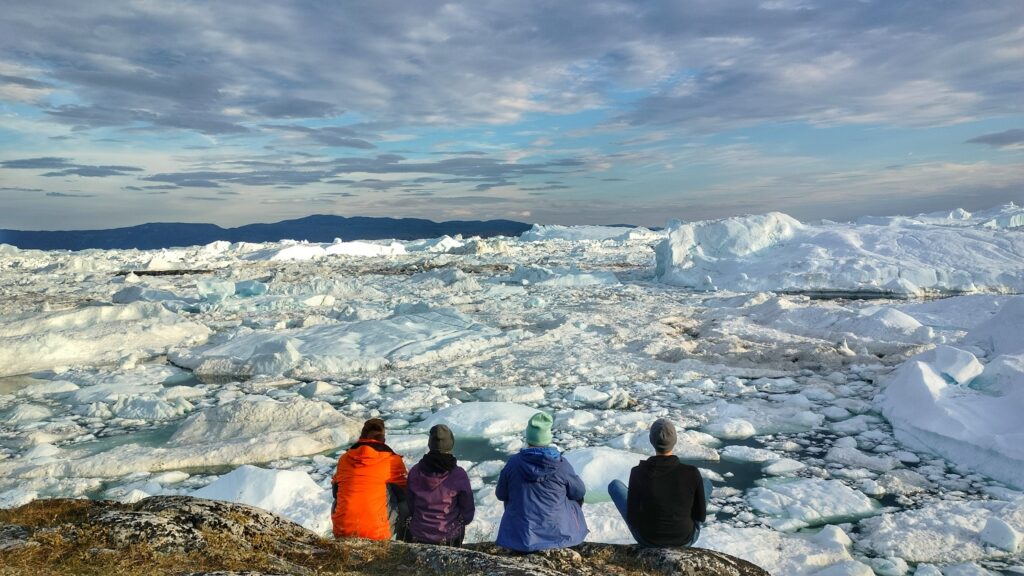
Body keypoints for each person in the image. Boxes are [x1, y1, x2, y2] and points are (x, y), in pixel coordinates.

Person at [608, 418, 710, 547]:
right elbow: (700, 516)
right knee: (707, 483)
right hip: (685, 539)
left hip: (647, 539)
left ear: (651, 441)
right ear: (675, 440)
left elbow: (632, 518)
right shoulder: (691, 472)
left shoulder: (638, 472)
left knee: (615, 486)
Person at [495, 411, 588, 552]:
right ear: (547, 437)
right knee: (575, 498)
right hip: (559, 533)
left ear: (529, 437)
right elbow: (579, 492)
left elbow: (501, 494)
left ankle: (521, 534)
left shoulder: (513, 463)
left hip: (522, 535)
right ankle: (563, 532)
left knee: (511, 497)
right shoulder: (561, 464)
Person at [331, 418, 408, 540]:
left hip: (342, 531)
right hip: (377, 534)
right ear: (382, 439)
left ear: (362, 437)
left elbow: (335, 492)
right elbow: (404, 493)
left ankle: (343, 528)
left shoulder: (344, 458)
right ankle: (402, 546)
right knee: (405, 502)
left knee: (339, 497)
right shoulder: (392, 460)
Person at [405, 424, 476, 546]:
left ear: (430, 444)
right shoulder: (458, 474)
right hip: (449, 536)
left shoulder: (415, 471)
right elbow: (467, 511)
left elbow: (410, 505)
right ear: (451, 443)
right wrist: (462, 521)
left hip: (419, 534)